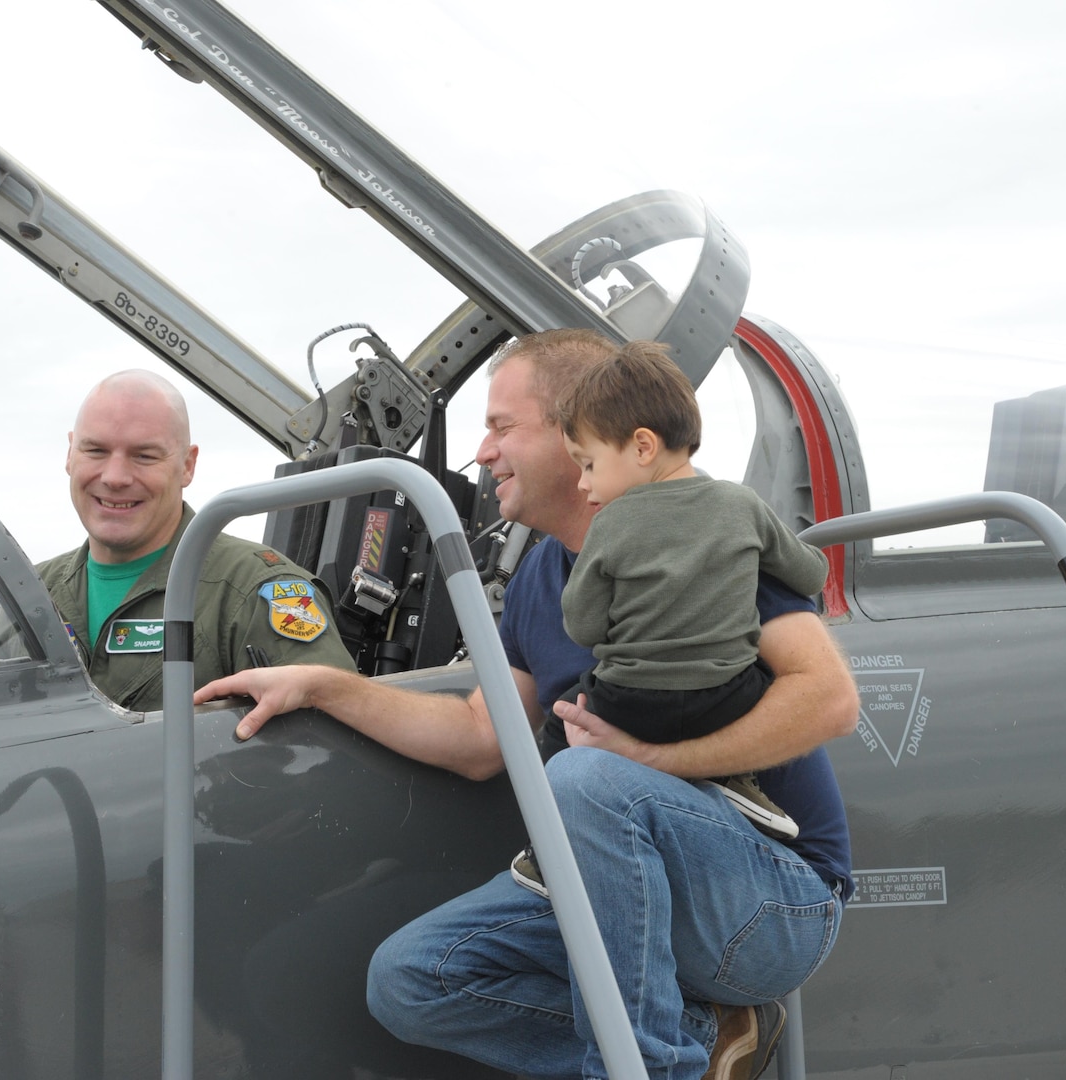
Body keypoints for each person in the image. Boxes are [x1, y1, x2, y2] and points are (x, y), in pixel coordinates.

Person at [195, 330, 858, 1080]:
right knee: (412, 978)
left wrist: (655, 762)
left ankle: (649, 1069)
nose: (482, 452)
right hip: (626, 889)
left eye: (501, 426)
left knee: (581, 780)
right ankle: (704, 1044)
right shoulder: (542, 575)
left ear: (576, 430)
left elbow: (827, 700)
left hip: (771, 901)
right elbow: (484, 734)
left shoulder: (702, 533)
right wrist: (321, 685)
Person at [507, 340, 829, 899]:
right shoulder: (742, 505)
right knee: (763, 678)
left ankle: (546, 853)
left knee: (568, 716)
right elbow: (809, 574)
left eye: (588, 465)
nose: (584, 485)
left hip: (632, 706)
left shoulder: (610, 526)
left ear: (641, 447)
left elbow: (581, 626)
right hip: (726, 696)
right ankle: (739, 780)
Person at [0, 369, 354, 709]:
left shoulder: (253, 592)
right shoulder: (27, 599)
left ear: (187, 465)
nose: (115, 476)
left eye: (144, 456)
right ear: (70, 454)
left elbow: (334, 742)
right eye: (95, 450)